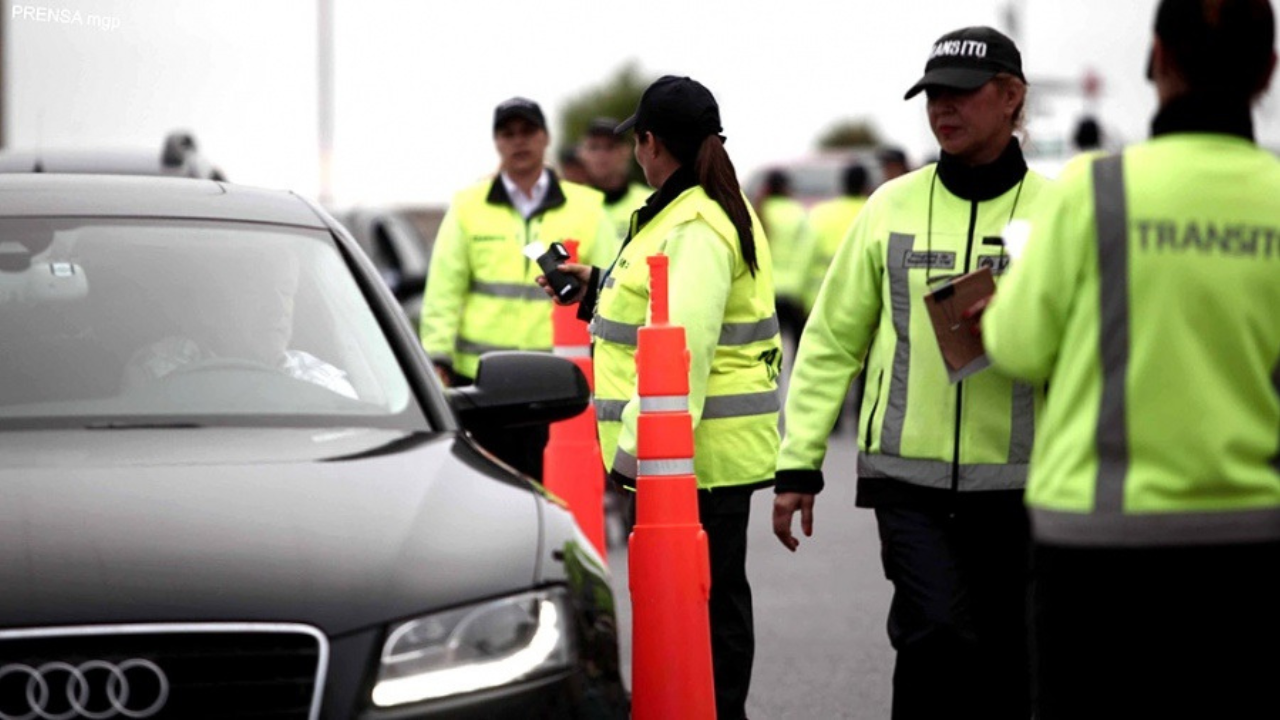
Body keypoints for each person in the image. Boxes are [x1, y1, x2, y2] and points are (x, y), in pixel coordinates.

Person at [978, 1, 1280, 717]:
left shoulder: (1095, 190)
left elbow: (1017, 345)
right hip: (1256, 540)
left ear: (1159, 59)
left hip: (1097, 550)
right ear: (1268, 71)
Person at [771, 26, 1052, 720]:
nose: (942, 110)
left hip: (1028, 485)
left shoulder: (1059, 213)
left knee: (1014, 659)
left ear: (1012, 97)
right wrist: (798, 462)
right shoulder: (889, 208)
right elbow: (832, 339)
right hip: (909, 482)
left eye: (960, 94)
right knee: (934, 640)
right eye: (932, 96)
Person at [541, 76, 781, 720]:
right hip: (687, 458)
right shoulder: (681, 213)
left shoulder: (696, 223)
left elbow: (685, 351)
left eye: (636, 140)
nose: (635, 154)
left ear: (651, 144)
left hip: (694, 460)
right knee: (701, 605)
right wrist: (593, 288)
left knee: (708, 610)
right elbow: (651, 315)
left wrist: (637, 455)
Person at [419, 96, 615, 479]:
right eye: (508, 134)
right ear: (497, 143)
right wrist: (438, 358)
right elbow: (445, 289)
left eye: (528, 132)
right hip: (480, 384)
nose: (518, 142)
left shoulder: (589, 207)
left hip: (560, 384)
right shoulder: (467, 206)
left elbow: (612, 289)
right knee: (487, 491)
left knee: (558, 490)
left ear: (545, 138)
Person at [124, 249, 357, 399]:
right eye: (259, 292)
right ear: (214, 305)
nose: (278, 308)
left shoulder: (324, 385)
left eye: (287, 292)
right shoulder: (166, 365)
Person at [755, 169, 814, 348]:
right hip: (795, 291)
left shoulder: (758, 212)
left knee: (770, 349)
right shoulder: (798, 213)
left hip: (767, 292)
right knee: (799, 347)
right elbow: (807, 255)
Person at [578, 116, 651, 257]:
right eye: (594, 147)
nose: (601, 155)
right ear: (582, 153)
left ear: (627, 151)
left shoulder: (650, 202)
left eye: (610, 147)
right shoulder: (570, 204)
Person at [802, 163, 870, 313]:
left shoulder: (820, 213)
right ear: (866, 185)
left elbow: (805, 258)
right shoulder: (873, 212)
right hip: (861, 304)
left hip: (819, 301)